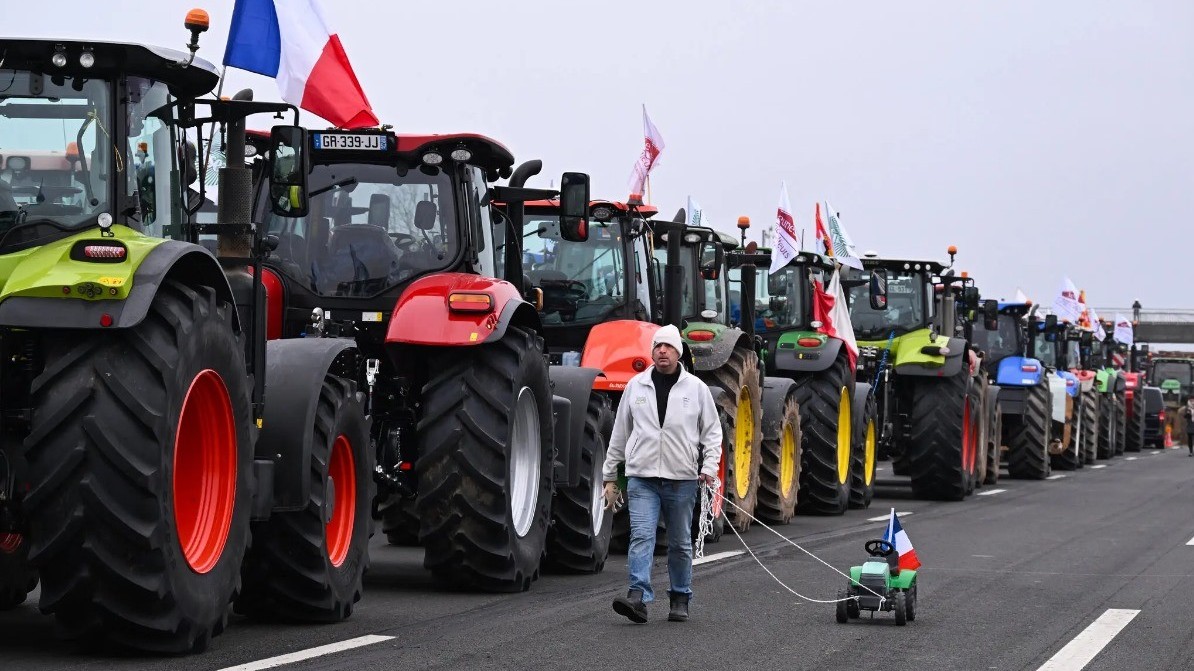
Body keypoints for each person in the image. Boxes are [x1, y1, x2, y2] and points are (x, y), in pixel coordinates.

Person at [601, 324, 722, 624]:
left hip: (681, 481)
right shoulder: (636, 386)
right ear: (652, 351)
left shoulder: (696, 389)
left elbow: (713, 433)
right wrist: (611, 477)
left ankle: (680, 597)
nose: (662, 351)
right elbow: (620, 435)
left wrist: (708, 468)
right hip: (642, 478)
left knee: (680, 542)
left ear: (678, 353)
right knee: (641, 536)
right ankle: (637, 597)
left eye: (668, 347)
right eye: (657, 347)